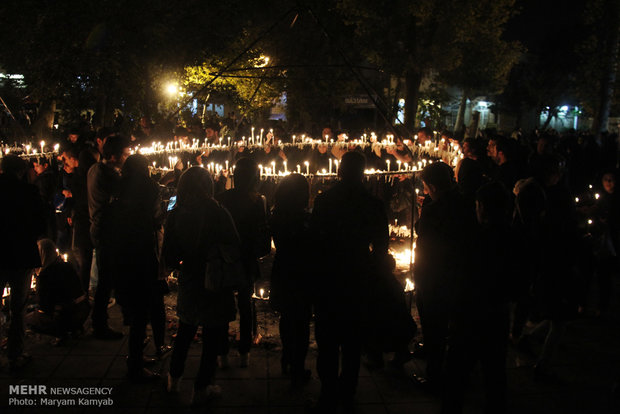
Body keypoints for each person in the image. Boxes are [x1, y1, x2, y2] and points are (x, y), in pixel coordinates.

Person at [310, 151, 389, 411]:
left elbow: (316, 240)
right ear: (363, 173)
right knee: (353, 341)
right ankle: (347, 390)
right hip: (358, 276)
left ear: (340, 171)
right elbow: (380, 248)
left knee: (328, 340)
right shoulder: (374, 205)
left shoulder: (325, 202)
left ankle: (328, 390)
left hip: (329, 277)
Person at [163, 167, 238, 404]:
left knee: (186, 330)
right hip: (213, 278)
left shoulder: (174, 214)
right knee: (213, 333)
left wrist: (184, 260)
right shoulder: (217, 211)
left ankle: (174, 379)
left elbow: (169, 255)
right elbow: (234, 243)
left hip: (189, 278)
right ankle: (202, 386)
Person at [443, 182, 515, 414]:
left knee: (457, 372)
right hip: (498, 313)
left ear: (481, 207)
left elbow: (458, 274)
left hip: (469, 314)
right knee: (494, 371)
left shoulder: (474, 239)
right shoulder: (512, 236)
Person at [413, 162, 475, 388]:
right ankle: (453, 369)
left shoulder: (435, 209)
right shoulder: (465, 203)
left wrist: (423, 213)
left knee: (434, 326)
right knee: (452, 326)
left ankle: (434, 374)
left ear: (432, 186)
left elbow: (424, 234)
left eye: (426, 186)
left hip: (434, 276)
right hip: (458, 274)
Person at [111, 154, 164, 381]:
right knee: (142, 311)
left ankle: (136, 356)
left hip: (122, 254)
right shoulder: (149, 187)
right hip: (142, 252)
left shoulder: (118, 188)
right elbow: (155, 216)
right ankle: (135, 363)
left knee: (134, 310)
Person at [216, 157, 270, 367]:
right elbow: (263, 235)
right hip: (246, 259)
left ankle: (221, 355)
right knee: (245, 306)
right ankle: (244, 352)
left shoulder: (221, 198)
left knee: (222, 306)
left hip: (225, 258)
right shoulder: (259, 201)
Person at [0, 155, 46, 370]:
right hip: (21, 253)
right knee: (18, 307)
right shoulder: (28, 192)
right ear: (21, 171)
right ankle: (15, 354)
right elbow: (39, 224)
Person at [270, 174, 313, 387]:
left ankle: (287, 357)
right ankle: (297, 366)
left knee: (287, 317)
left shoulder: (276, 215)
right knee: (302, 320)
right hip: (302, 271)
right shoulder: (305, 219)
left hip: (283, 268)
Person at [87, 134, 130, 340]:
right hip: (107, 231)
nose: (127, 156)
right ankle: (100, 324)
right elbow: (123, 198)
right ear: (114, 156)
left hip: (99, 228)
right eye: (125, 153)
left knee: (108, 278)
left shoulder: (94, 169)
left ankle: (101, 321)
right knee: (106, 280)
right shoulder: (108, 175)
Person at [28, 239, 90, 339]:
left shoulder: (45, 276)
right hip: (82, 311)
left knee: (27, 319)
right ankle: (74, 329)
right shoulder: (67, 266)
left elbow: (44, 306)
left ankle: (57, 333)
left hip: (63, 318)